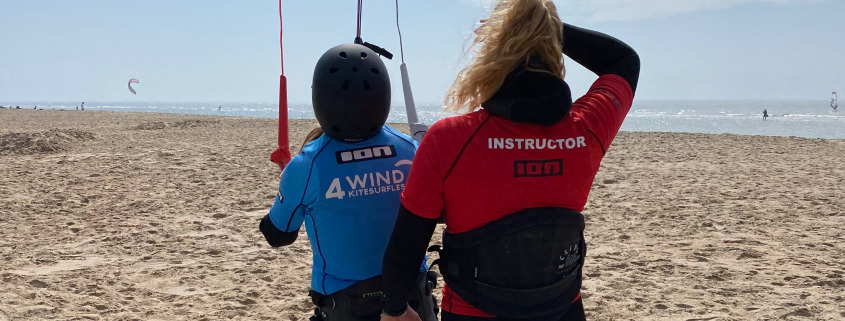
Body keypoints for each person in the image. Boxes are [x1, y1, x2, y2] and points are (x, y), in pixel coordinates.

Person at [380, 1, 640, 320]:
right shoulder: (587, 129)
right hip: (561, 309)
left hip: (473, 311)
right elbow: (624, 60)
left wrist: (394, 309)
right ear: (554, 51)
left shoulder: (448, 139)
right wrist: (543, 27)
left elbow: (408, 242)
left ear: (492, 55)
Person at [259, 43, 438, 321]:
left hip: (347, 302)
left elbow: (278, 235)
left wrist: (289, 186)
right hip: (411, 294)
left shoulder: (307, 165)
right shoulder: (410, 149)